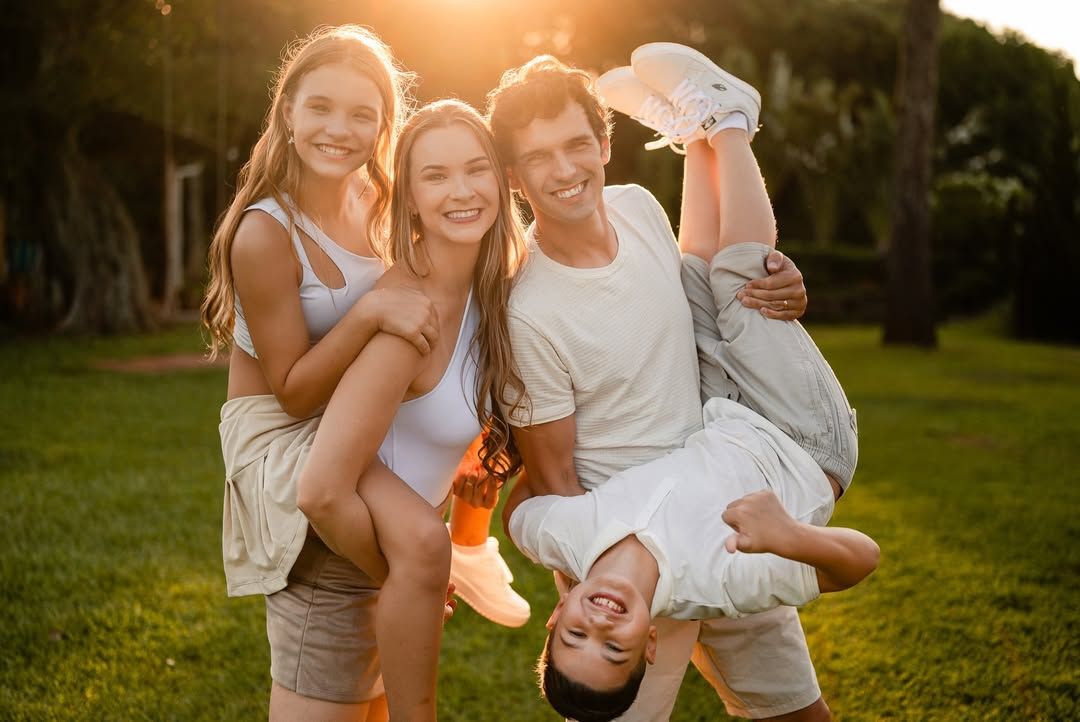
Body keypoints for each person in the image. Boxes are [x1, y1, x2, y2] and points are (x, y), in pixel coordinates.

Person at [503, 53, 874, 720]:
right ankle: (726, 116)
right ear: (513, 176)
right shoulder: (528, 308)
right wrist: (585, 579)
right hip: (679, 547)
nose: (563, 170)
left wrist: (775, 274)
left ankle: (699, 126)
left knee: (797, 714)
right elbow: (550, 478)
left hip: (724, 451)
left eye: (576, 145)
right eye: (537, 157)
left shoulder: (637, 206)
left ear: (605, 144)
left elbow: (696, 267)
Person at [202, 25, 525, 721]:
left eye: (362, 114)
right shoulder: (265, 231)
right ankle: (435, 571)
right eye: (319, 107)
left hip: (337, 413)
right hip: (279, 427)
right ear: (286, 110)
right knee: (415, 541)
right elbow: (290, 390)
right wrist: (374, 312)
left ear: (384, 126)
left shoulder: (371, 199)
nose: (338, 130)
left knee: (420, 539)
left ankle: (448, 561)